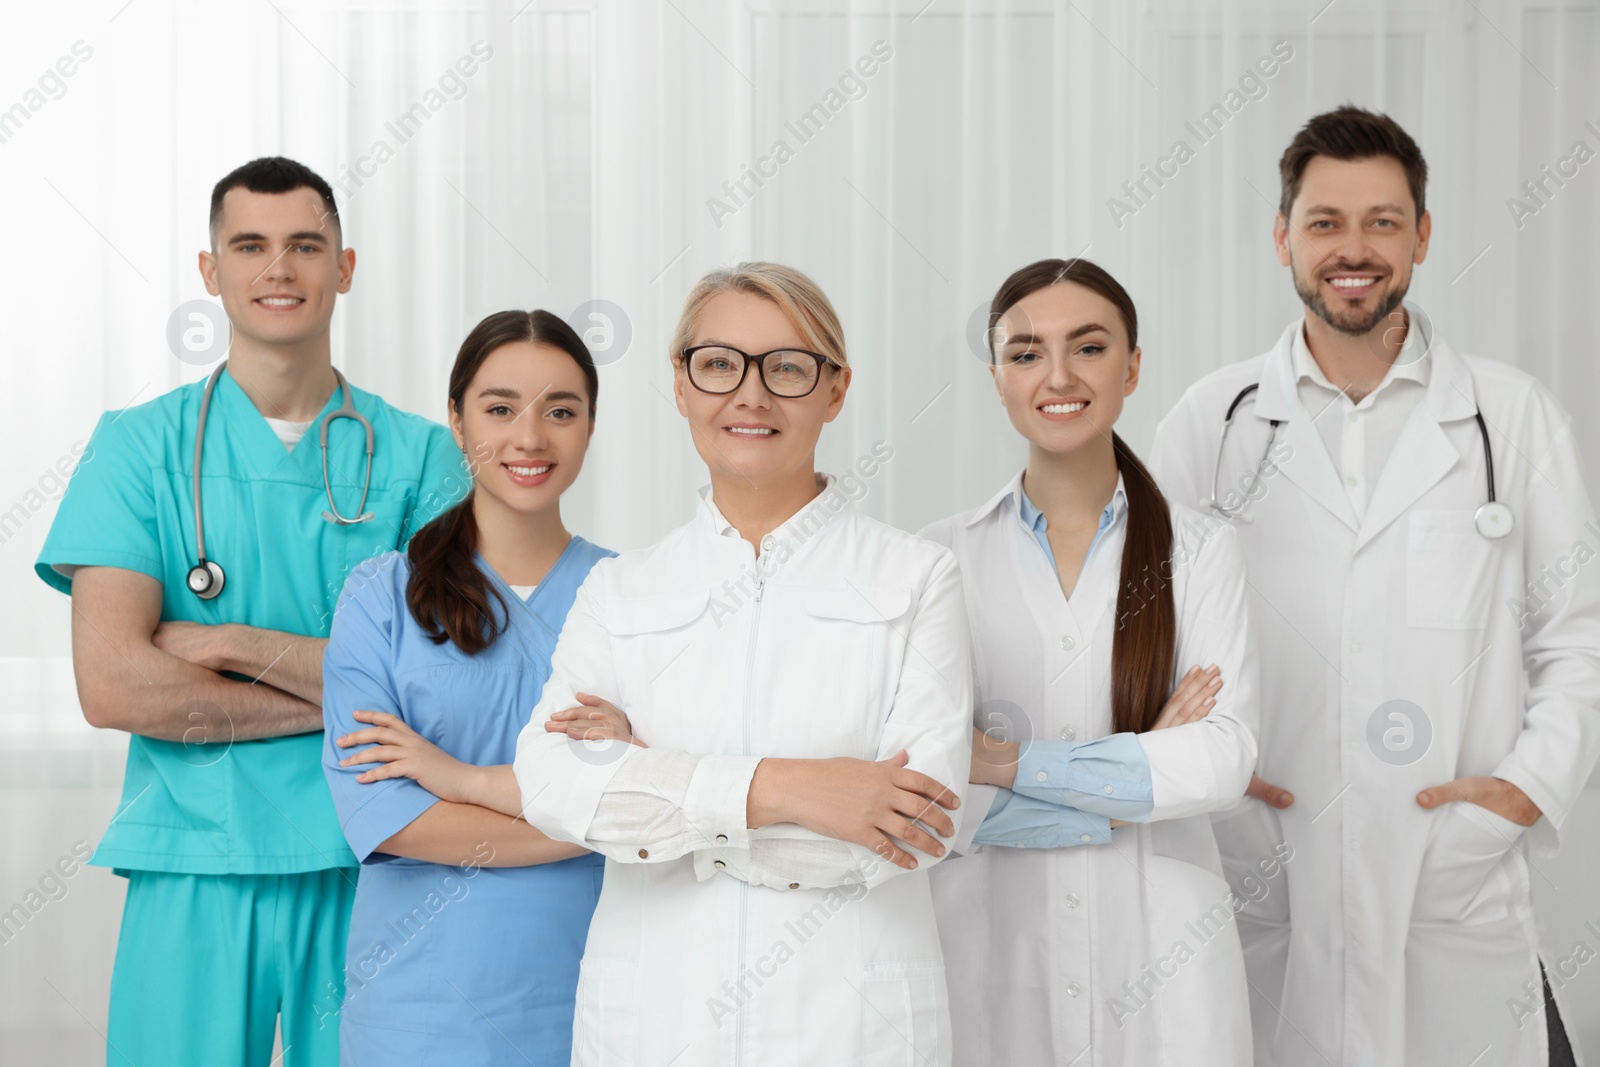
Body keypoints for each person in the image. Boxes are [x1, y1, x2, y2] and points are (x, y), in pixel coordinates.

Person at [1150, 106, 1600, 1067]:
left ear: (1422, 236)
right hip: (1263, 859)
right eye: (1324, 223)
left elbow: (1575, 637)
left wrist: (1523, 790)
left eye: (1383, 222)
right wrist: (1205, 777)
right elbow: (1147, 631)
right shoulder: (1210, 421)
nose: (1353, 250)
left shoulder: (1508, 418)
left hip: (1450, 872)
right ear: (1282, 238)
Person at [480, 261, 971, 1065]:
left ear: (835, 389)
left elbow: (913, 827)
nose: (750, 395)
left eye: (786, 367)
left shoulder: (915, 578)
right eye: (719, 364)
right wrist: (790, 786)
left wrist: (657, 783)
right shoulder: (621, 588)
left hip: (849, 1024)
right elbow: (557, 787)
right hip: (657, 1020)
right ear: (681, 384)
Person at [34, 157, 465, 1066]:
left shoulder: (426, 459)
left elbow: (447, 689)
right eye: (252, 246)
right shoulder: (139, 448)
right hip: (193, 865)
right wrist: (345, 700)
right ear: (211, 271)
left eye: (306, 245)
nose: (280, 269)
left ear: (345, 267)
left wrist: (228, 643)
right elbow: (113, 685)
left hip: (375, 861)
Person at [923, 258, 1260, 1066]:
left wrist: (1001, 761)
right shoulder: (936, 558)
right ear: (998, 377)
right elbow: (932, 794)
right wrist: (1142, 772)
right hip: (991, 956)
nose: (1059, 375)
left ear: (1133, 366)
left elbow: (1221, 762)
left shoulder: (1202, 549)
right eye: (1028, 352)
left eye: (1090, 346)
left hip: (1166, 967)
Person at [319, 310, 610, 1065]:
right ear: (455, 418)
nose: (530, 437)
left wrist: (457, 781)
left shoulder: (633, 598)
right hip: (420, 1009)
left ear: (589, 425)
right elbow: (390, 817)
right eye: (500, 407)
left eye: (561, 410)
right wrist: (587, 823)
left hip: (597, 992)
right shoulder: (381, 596)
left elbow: (658, 796)